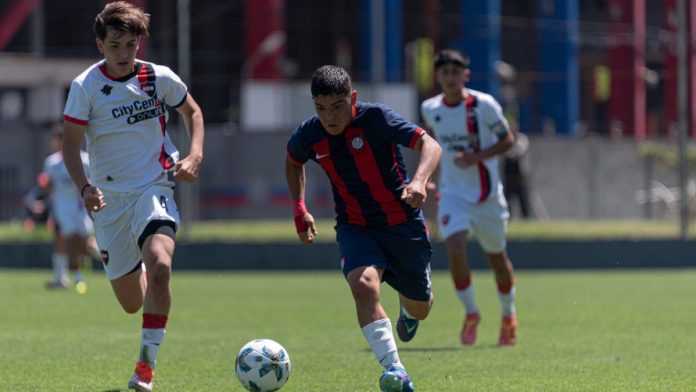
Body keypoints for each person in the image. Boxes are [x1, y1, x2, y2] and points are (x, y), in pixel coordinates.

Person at [62, 2, 204, 391]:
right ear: (99, 44)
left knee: (161, 266)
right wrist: (86, 189)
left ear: (140, 42)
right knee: (131, 303)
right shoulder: (85, 87)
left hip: (153, 186)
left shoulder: (158, 77)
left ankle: (145, 366)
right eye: (114, 46)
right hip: (108, 201)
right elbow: (71, 148)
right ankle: (138, 269)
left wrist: (194, 155)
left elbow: (192, 112)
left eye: (129, 45)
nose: (123, 54)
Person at [285, 65, 442, 392]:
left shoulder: (377, 119)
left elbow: (430, 145)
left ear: (352, 98)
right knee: (363, 283)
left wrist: (419, 181)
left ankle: (408, 309)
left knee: (421, 308)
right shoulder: (309, 134)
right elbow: (293, 160)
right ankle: (395, 370)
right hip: (355, 225)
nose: (330, 116)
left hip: (403, 224)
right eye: (321, 108)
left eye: (337, 106)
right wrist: (300, 208)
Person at [420, 49, 518, 346]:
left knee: (497, 259)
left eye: (455, 72)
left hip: (487, 195)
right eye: (444, 72)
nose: (450, 78)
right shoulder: (430, 108)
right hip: (452, 194)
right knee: (456, 249)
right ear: (438, 77)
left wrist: (478, 156)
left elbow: (508, 139)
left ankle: (508, 315)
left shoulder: (484, 105)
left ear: (466, 75)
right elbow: (432, 148)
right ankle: (472, 312)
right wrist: (427, 182)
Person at [42, 124, 98, 293]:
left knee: (83, 243)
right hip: (61, 208)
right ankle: (64, 278)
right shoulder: (51, 162)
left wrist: (84, 185)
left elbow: (94, 181)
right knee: (63, 241)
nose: (53, 143)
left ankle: (111, 259)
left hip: (80, 208)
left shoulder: (86, 159)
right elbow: (49, 186)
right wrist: (46, 185)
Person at [502, 120, 534, 219]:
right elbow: (506, 153)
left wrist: (512, 142)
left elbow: (517, 152)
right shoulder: (505, 140)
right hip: (508, 178)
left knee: (524, 202)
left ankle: (526, 221)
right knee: (507, 203)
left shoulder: (522, 139)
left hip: (520, 177)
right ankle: (508, 220)